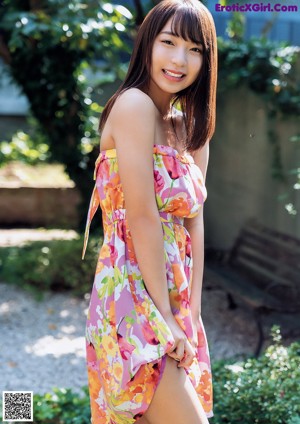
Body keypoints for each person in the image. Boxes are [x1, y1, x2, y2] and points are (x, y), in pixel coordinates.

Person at [82, 0, 217, 422]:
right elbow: (141, 216)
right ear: (147, 44)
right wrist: (164, 319)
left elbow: (194, 224)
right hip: (134, 292)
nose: (180, 59)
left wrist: (190, 313)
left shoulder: (190, 127)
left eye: (195, 49)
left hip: (173, 298)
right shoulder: (133, 106)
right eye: (169, 42)